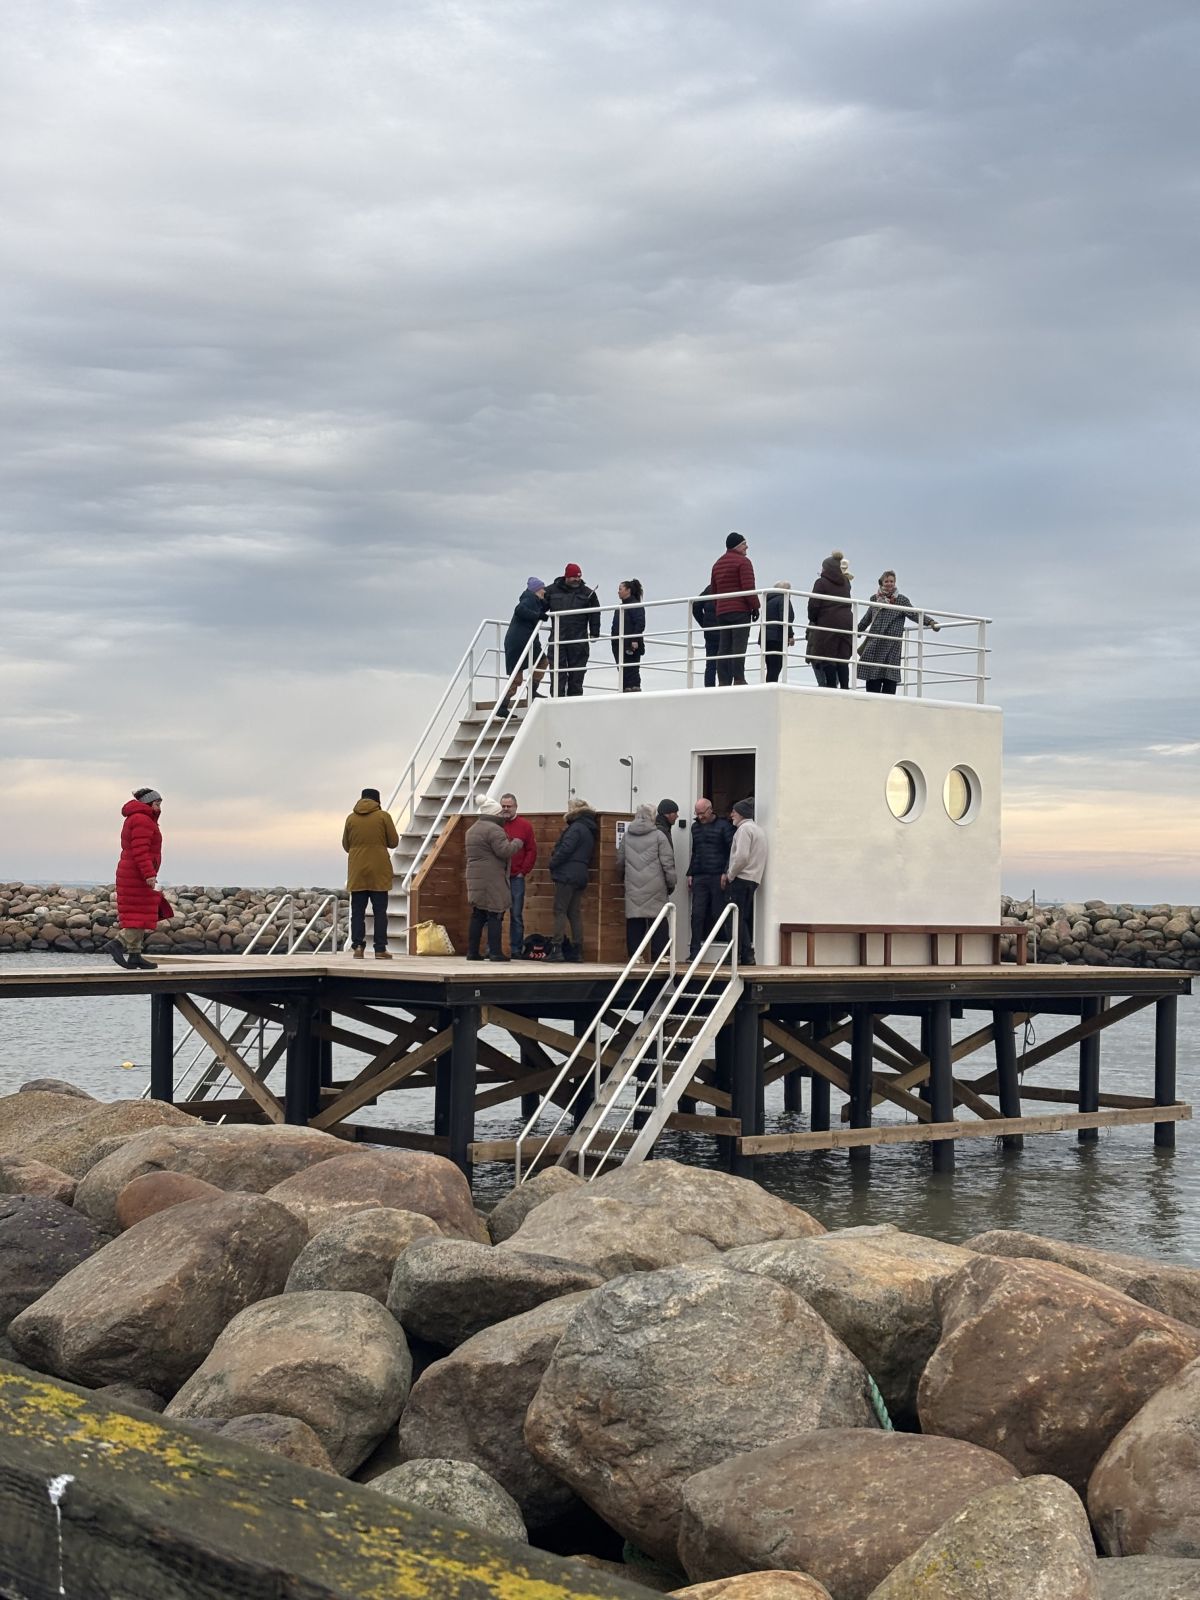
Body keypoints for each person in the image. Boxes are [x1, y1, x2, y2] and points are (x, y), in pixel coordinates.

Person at [106, 788, 172, 970]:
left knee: (140, 913)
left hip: (133, 872)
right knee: (141, 914)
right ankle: (117, 943)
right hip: (136, 874)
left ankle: (135, 955)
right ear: (148, 804)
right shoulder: (142, 820)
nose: (159, 808)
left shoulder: (139, 818)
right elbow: (140, 851)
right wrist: (149, 874)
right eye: (157, 804)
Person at [857, 570, 941, 694]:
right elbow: (867, 618)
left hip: (892, 644)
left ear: (895, 583)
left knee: (890, 676)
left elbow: (914, 614)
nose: (889, 584)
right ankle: (872, 701)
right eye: (886, 581)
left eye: (891, 581)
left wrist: (930, 622)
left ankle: (888, 703)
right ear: (881, 583)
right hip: (875, 642)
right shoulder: (875, 599)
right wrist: (856, 630)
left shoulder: (901, 600)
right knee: (872, 677)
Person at [342, 787, 400, 959]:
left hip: (357, 871)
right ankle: (380, 949)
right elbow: (393, 842)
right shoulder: (383, 816)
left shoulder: (351, 818)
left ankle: (358, 947)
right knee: (380, 911)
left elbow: (346, 845)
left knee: (357, 912)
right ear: (378, 801)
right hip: (379, 870)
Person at [465, 797, 522, 961]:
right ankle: (495, 952)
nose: (502, 815)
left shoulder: (472, 829)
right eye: (500, 812)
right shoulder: (494, 830)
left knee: (478, 914)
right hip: (492, 878)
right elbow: (504, 851)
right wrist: (517, 842)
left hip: (475, 876)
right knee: (495, 913)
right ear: (495, 814)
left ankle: (472, 952)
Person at [617, 803, 677, 957]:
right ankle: (661, 955)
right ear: (652, 816)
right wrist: (671, 883)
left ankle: (635, 956)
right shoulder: (659, 836)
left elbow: (620, 862)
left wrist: (624, 879)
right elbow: (667, 863)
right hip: (656, 885)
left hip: (633, 884)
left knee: (635, 919)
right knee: (658, 919)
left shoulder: (627, 836)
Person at [547, 797, 598, 961]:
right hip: (581, 872)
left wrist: (553, 863)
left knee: (560, 910)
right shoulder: (589, 828)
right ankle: (577, 950)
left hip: (567, 873)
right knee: (574, 912)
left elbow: (566, 849)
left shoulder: (576, 828)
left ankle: (557, 949)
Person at [686, 796, 734, 958]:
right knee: (697, 914)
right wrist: (691, 872)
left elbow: (731, 851)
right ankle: (694, 951)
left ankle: (729, 951)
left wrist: (726, 872)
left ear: (710, 810)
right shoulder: (695, 827)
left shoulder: (724, 826)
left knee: (718, 913)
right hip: (700, 875)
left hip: (717, 875)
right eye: (697, 814)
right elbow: (695, 851)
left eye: (702, 813)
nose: (700, 817)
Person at [709, 532, 759, 686]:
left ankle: (723, 680)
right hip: (740, 610)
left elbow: (714, 591)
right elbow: (748, 587)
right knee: (739, 646)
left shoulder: (717, 564)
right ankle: (738, 678)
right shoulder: (744, 562)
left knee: (724, 646)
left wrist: (719, 607)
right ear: (737, 546)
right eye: (744, 544)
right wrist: (755, 606)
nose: (746, 547)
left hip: (722, 611)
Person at [722, 798, 767, 966]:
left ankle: (733, 956)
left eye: (734, 811)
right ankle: (747, 955)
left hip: (741, 879)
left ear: (742, 813)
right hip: (753, 879)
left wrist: (730, 875)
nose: (731, 815)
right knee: (741, 918)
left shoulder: (744, 829)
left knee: (733, 918)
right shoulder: (758, 830)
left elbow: (741, 857)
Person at [545, 563, 600, 696]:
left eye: (579, 577)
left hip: (579, 639)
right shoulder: (551, 591)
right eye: (574, 577)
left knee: (577, 673)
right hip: (558, 638)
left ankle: (574, 699)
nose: (577, 580)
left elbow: (595, 613)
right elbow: (539, 606)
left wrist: (594, 633)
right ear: (566, 576)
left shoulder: (588, 593)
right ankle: (557, 698)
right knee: (557, 671)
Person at [499, 578, 548, 715]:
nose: (544, 591)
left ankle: (528, 693)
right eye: (542, 588)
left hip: (525, 641)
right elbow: (519, 610)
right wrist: (538, 616)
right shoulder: (529, 599)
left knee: (542, 661)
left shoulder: (535, 600)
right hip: (520, 642)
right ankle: (503, 705)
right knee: (518, 676)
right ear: (536, 590)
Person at [806, 550, 854, 688]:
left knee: (827, 657)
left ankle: (831, 686)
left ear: (826, 568)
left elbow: (814, 605)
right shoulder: (846, 582)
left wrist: (813, 619)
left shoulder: (821, 582)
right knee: (842, 658)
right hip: (846, 623)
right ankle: (845, 687)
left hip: (828, 622)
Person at [499, 791, 536, 957]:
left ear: (516, 807)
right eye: (503, 806)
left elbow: (531, 850)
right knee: (496, 914)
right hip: (499, 877)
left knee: (516, 914)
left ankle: (516, 949)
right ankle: (493, 948)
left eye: (509, 806)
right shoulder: (497, 825)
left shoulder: (525, 826)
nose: (506, 809)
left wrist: (523, 871)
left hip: (516, 877)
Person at [610, 579, 646, 692]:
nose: (618, 591)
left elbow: (640, 623)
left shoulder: (635, 605)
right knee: (623, 670)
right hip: (619, 644)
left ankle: (633, 689)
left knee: (632, 669)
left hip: (630, 643)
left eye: (620, 589)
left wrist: (634, 639)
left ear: (628, 590)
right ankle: (625, 689)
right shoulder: (620, 608)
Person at [764, 580, 795, 683]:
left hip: (766, 637)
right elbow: (785, 619)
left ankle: (768, 686)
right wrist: (790, 635)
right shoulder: (783, 599)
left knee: (770, 666)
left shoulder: (767, 600)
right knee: (776, 666)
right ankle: (771, 686)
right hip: (777, 637)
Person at [691, 584, 720, 687]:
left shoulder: (709, 589)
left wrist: (704, 624)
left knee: (711, 663)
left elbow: (695, 605)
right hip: (725, 630)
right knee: (726, 660)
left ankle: (709, 688)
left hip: (710, 632)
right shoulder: (729, 587)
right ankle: (725, 686)